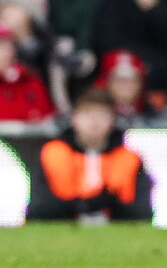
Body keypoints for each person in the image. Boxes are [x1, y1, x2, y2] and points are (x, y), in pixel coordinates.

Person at [27, 88, 152, 222]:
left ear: (112, 121)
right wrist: (84, 205)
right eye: (88, 114)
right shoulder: (52, 153)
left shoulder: (129, 158)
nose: (95, 121)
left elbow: (142, 211)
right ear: (74, 118)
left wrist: (108, 203)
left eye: (102, 115)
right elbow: (39, 209)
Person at [0, 23, 55, 124]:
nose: (8, 52)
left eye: (9, 45)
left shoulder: (29, 81)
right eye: (1, 45)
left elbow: (49, 119)